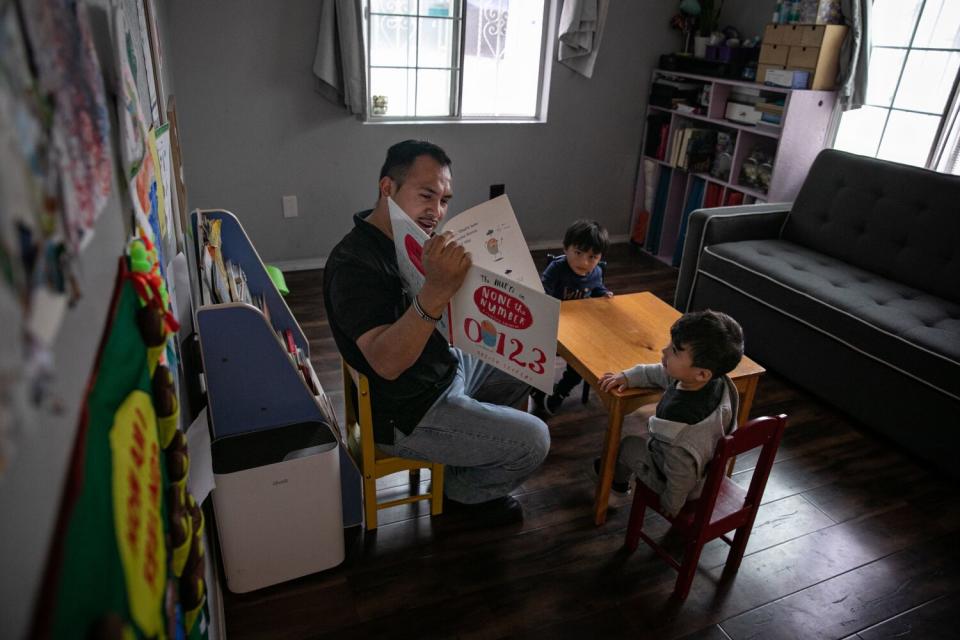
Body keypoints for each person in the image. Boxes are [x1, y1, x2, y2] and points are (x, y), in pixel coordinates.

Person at [323, 139, 550, 517]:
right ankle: (461, 493)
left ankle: (471, 449)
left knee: (521, 361)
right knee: (535, 440)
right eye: (427, 195)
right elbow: (387, 363)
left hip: (442, 367)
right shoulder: (354, 263)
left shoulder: (406, 238)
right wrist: (438, 290)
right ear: (387, 188)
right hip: (409, 411)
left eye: (445, 200)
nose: (437, 211)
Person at [597, 310, 743, 516]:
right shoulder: (712, 381)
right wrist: (627, 377)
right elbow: (661, 372)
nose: (664, 351)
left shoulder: (679, 419)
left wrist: (671, 504)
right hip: (709, 470)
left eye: (674, 350)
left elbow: (681, 473)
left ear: (701, 373)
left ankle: (618, 487)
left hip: (682, 486)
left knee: (628, 446)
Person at [533, 219, 613, 414]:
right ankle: (536, 389)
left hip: (579, 328)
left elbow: (596, 288)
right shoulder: (558, 268)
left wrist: (604, 293)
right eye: (578, 253)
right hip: (553, 325)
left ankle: (561, 391)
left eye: (593, 257)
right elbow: (544, 290)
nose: (584, 262)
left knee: (582, 361)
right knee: (537, 355)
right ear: (566, 248)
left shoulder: (596, 272)